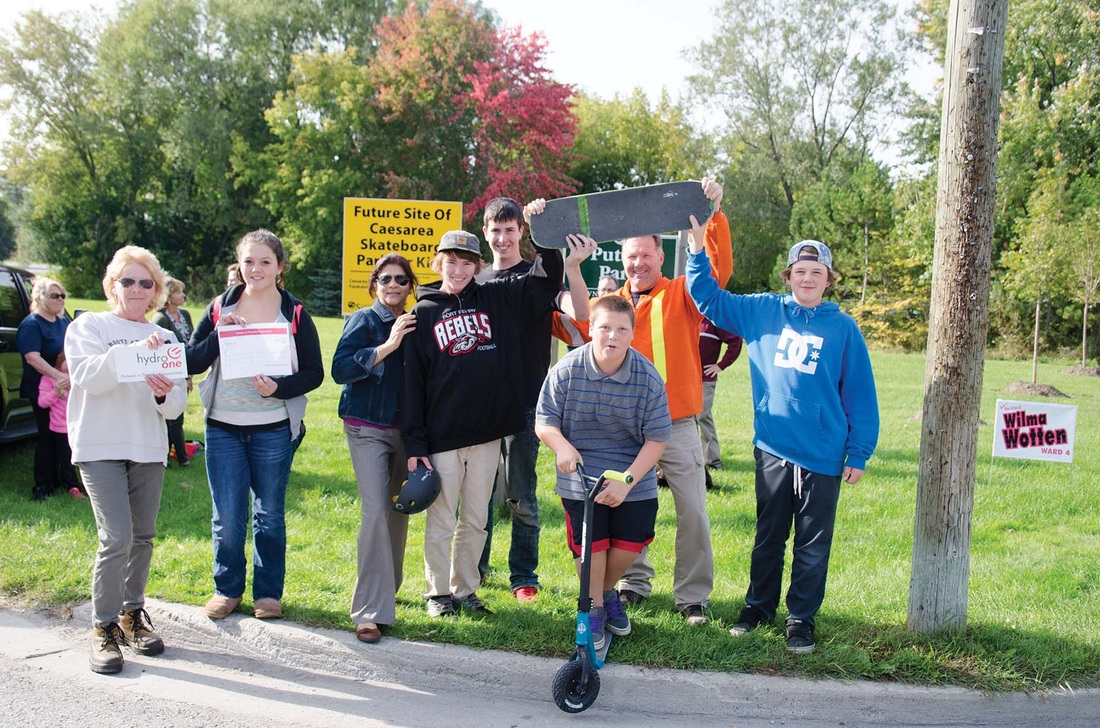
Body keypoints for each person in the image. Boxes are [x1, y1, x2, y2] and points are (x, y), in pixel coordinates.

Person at [529, 177, 731, 625]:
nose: (638, 262)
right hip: (621, 430)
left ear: (662, 256)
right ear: (622, 259)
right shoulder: (614, 306)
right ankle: (631, 585)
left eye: (646, 254)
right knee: (626, 506)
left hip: (675, 425)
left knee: (693, 510)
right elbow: (580, 319)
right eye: (631, 256)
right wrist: (547, 226)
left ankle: (692, 596)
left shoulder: (682, 293)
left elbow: (716, 270)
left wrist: (712, 214)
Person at [686, 235, 880, 654]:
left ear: (828, 280)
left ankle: (801, 619)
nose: (807, 278)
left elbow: (860, 394)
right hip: (773, 447)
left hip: (824, 454)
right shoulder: (762, 311)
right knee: (769, 535)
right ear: (788, 275)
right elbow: (707, 298)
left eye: (817, 272)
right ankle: (757, 607)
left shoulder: (843, 329)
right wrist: (696, 250)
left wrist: (859, 452)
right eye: (800, 271)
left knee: (812, 541)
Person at [402, 228, 562, 618]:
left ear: (477, 265)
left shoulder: (495, 297)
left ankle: (465, 590)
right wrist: (416, 445)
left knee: (476, 519)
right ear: (439, 263)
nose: (458, 270)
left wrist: (541, 234)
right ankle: (437, 593)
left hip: (487, 433)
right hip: (442, 437)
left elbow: (546, 281)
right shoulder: (422, 313)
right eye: (451, 262)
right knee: (442, 518)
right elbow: (412, 386)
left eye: (466, 263)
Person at [188, 230, 324, 622]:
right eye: (249, 261)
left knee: (269, 515)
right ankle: (226, 589)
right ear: (239, 264)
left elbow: (314, 373)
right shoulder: (219, 307)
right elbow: (193, 360)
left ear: (280, 267)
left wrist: (279, 388)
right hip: (223, 427)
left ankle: (268, 594)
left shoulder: (295, 313)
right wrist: (219, 336)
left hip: (272, 428)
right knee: (227, 515)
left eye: (265, 261)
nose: (256, 268)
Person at [65, 245, 187, 674]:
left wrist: (159, 389)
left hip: (146, 449)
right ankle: (103, 627)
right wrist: (137, 351)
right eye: (127, 281)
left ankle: (131, 614)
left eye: (146, 282)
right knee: (115, 536)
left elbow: (174, 407)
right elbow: (89, 377)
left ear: (156, 290)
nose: (136, 289)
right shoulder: (89, 326)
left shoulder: (168, 338)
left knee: (142, 537)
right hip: (100, 447)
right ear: (112, 285)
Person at [475, 197, 596, 602]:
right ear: (485, 232)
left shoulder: (537, 275)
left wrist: (546, 228)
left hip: (527, 401)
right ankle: (475, 568)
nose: (503, 237)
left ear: (520, 233)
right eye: (496, 230)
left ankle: (523, 575)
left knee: (521, 495)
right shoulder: (476, 280)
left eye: (511, 230)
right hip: (481, 405)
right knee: (478, 495)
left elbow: (578, 311)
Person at [535, 296, 671, 651]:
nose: (613, 335)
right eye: (605, 327)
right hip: (580, 473)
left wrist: (627, 481)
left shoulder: (647, 377)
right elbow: (545, 422)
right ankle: (593, 609)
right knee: (590, 548)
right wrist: (561, 447)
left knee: (628, 546)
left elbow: (657, 439)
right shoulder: (566, 370)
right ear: (591, 329)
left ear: (632, 333)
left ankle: (606, 590)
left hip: (631, 474)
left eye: (622, 329)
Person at [331, 254, 418, 644]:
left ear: (411, 284)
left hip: (406, 432)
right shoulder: (363, 321)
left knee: (398, 513)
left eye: (401, 279)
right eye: (386, 279)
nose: (394, 285)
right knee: (375, 513)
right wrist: (389, 344)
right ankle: (369, 611)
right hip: (367, 428)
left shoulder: (418, 322)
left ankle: (388, 594)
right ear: (374, 285)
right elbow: (340, 370)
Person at [16, 276, 71, 501]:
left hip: (65, 388)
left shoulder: (63, 322)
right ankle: (43, 485)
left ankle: (62, 478)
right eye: (54, 295)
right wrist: (59, 377)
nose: (60, 299)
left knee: (64, 434)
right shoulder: (32, 324)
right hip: (42, 389)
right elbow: (32, 358)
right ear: (39, 297)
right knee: (47, 435)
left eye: (62, 296)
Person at [151, 277, 194, 467]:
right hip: (168, 373)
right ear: (168, 296)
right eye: (178, 292)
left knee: (179, 416)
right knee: (173, 419)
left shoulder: (184, 314)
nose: (182, 295)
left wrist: (190, 374)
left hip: (186, 368)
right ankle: (177, 457)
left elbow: (192, 342)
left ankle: (178, 455)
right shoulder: (160, 319)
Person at [697, 318, 743, 472]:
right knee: (685, 421)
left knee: (702, 417)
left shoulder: (712, 320)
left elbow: (736, 340)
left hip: (704, 380)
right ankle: (692, 460)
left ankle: (712, 461)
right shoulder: (686, 317)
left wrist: (721, 365)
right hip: (684, 379)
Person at [36, 350, 83, 497]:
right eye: (67, 362)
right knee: (66, 458)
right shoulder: (48, 379)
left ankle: (85, 484)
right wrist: (56, 391)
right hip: (61, 427)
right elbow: (42, 403)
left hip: (80, 425)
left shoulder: (80, 377)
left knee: (83, 457)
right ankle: (72, 486)